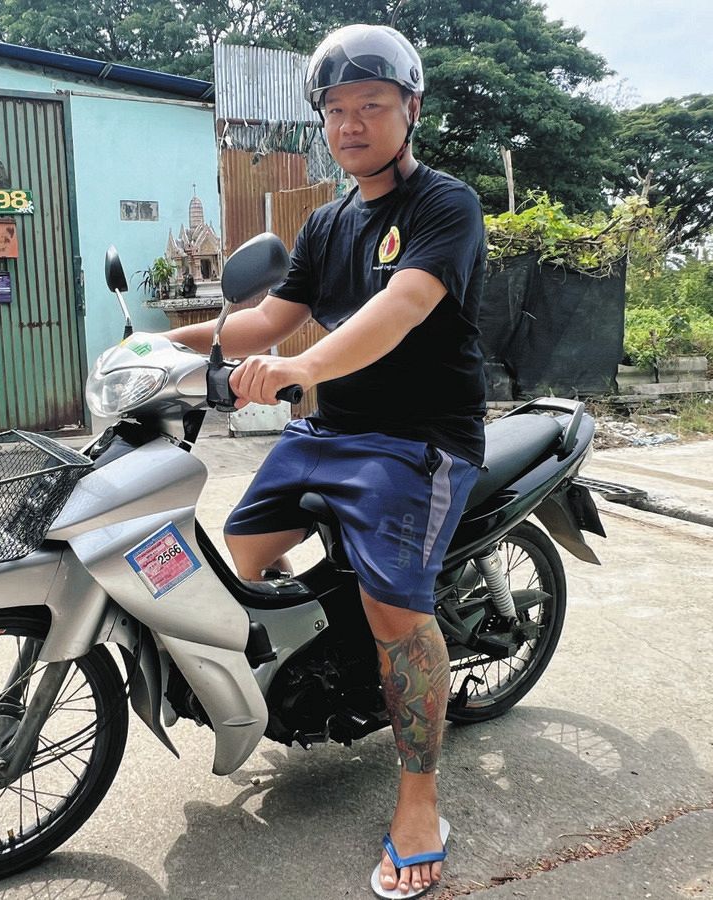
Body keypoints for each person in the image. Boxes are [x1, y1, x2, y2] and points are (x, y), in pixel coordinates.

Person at [164, 24, 486, 898]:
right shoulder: (328, 219)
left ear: (409, 111)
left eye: (371, 106)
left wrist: (307, 367)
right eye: (337, 110)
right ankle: (317, 670)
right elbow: (266, 320)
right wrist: (154, 348)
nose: (352, 124)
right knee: (244, 555)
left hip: (417, 441)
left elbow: (404, 307)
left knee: (395, 615)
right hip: (328, 432)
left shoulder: (444, 207)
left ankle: (419, 802)